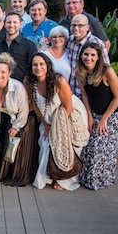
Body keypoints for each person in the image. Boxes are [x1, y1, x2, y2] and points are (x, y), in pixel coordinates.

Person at [26, 53, 87, 191]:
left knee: (64, 143)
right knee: (45, 142)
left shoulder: (59, 81)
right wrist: (46, 124)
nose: (38, 67)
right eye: (35, 65)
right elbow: (35, 105)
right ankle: (47, 176)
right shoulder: (29, 82)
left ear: (47, 66)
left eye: (41, 64)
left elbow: (68, 107)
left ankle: (64, 180)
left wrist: (56, 128)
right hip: (46, 118)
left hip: (66, 116)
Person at [77, 43, 118, 191]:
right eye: (86, 54)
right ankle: (86, 177)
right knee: (87, 142)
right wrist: (89, 116)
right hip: (95, 112)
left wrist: (105, 119)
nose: (89, 58)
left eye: (93, 55)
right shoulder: (79, 72)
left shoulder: (107, 71)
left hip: (114, 113)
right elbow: (85, 96)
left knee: (100, 142)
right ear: (81, 55)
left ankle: (101, 178)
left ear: (98, 57)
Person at [0, 53, 36, 186]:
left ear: (9, 73)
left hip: (24, 120)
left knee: (18, 146)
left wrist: (17, 127)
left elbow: (23, 110)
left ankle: (17, 175)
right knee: (7, 145)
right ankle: (4, 173)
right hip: (8, 118)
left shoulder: (18, 87)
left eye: (3, 72)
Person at [67, 14, 109, 98]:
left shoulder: (97, 43)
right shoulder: (69, 41)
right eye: (73, 25)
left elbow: (105, 69)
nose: (76, 28)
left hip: (89, 94)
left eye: (80, 25)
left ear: (87, 27)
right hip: (71, 93)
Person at [0, 11, 37, 82]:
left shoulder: (29, 45)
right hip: (0, 85)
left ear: (20, 24)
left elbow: (33, 68)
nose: (11, 25)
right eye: (9, 22)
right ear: (4, 25)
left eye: (15, 22)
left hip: (21, 87)